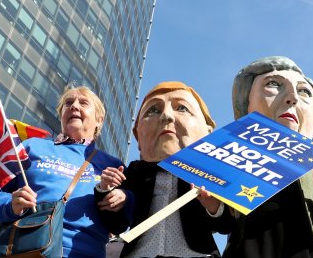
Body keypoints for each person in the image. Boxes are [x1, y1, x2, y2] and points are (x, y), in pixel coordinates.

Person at [0, 86, 134, 257]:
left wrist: (122, 199)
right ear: (61, 114)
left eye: (83, 103)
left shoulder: (114, 165)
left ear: (99, 119)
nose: (74, 106)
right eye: (68, 103)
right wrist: (11, 204)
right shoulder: (30, 147)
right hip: (25, 249)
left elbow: (123, 223)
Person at [96, 81, 232, 257]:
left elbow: (225, 224)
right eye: (153, 110)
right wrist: (109, 194)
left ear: (208, 132)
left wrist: (213, 205)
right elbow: (116, 224)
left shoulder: (211, 171)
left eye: (182, 108)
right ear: (137, 135)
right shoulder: (134, 171)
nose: (166, 116)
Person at [223, 56, 313, 258]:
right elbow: (223, 222)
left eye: (304, 91)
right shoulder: (230, 155)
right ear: (245, 104)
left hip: (306, 250)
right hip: (249, 249)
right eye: (273, 84)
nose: (292, 98)